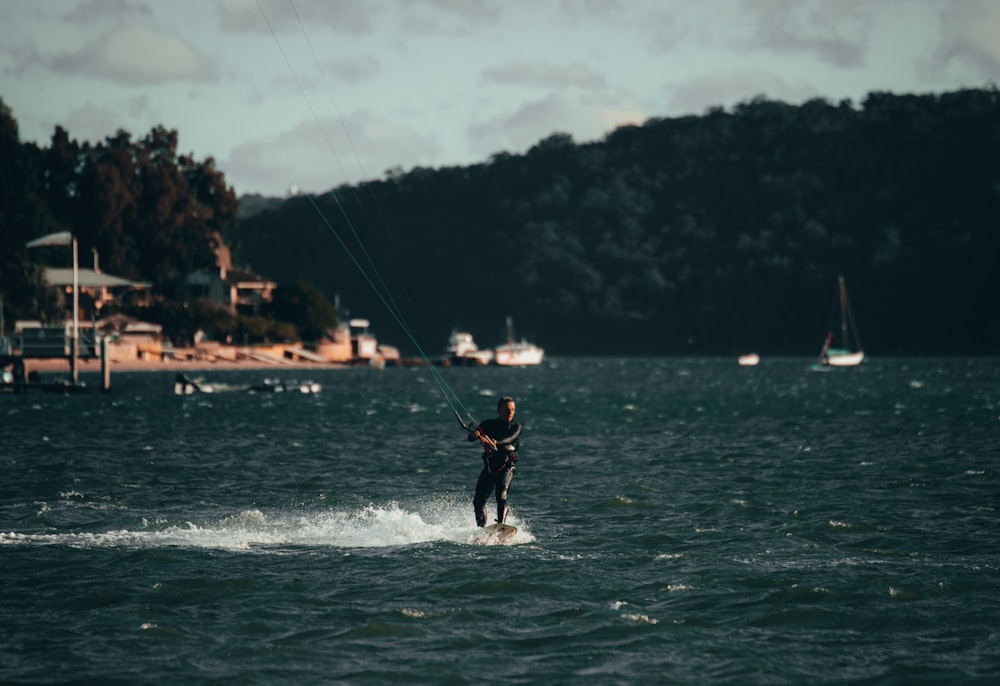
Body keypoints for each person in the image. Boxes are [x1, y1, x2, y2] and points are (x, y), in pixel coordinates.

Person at [468, 396, 522, 527]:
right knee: (478, 501)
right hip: (490, 466)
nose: (510, 413)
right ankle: (481, 528)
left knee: (501, 494)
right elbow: (471, 437)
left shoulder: (516, 427)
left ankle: (501, 525)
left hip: (507, 466)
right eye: (507, 410)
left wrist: (496, 442)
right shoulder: (488, 424)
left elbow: (510, 439)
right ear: (499, 410)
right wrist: (474, 435)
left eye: (513, 410)